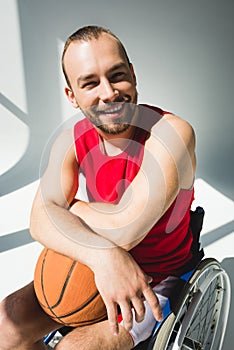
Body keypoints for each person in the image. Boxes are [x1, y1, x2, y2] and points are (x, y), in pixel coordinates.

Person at [0, 25, 201, 350]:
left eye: (117, 75)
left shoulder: (171, 132)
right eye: (90, 83)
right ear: (72, 96)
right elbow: (38, 221)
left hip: (157, 277)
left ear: (133, 75)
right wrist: (104, 257)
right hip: (92, 262)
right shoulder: (70, 141)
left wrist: (68, 209)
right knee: (6, 324)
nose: (108, 93)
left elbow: (127, 229)